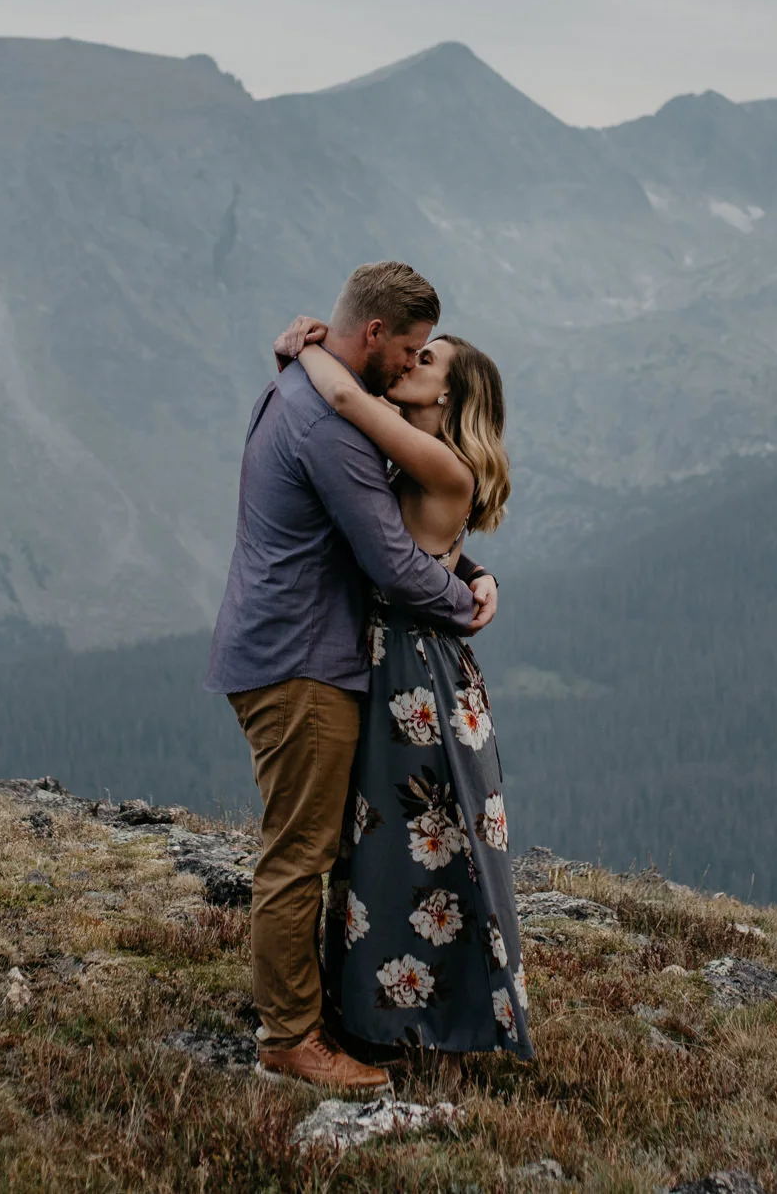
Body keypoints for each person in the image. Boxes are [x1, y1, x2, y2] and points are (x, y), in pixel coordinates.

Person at [204, 261, 498, 1093]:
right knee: (301, 853)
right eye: (409, 349)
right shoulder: (330, 424)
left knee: (326, 845)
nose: (408, 364)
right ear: (374, 334)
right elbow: (395, 562)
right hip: (302, 662)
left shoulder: (298, 386)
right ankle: (290, 1037)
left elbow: (404, 520)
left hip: (291, 649)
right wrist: (468, 601)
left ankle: (319, 1009)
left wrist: (469, 566)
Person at [278, 318, 533, 1062]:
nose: (410, 363)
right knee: (391, 839)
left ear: (450, 393)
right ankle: (386, 1012)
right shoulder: (422, 460)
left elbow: (347, 401)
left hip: (416, 676)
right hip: (398, 666)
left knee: (414, 842)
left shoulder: (444, 465)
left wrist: (305, 351)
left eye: (427, 359)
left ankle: (413, 1021)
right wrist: (475, 572)